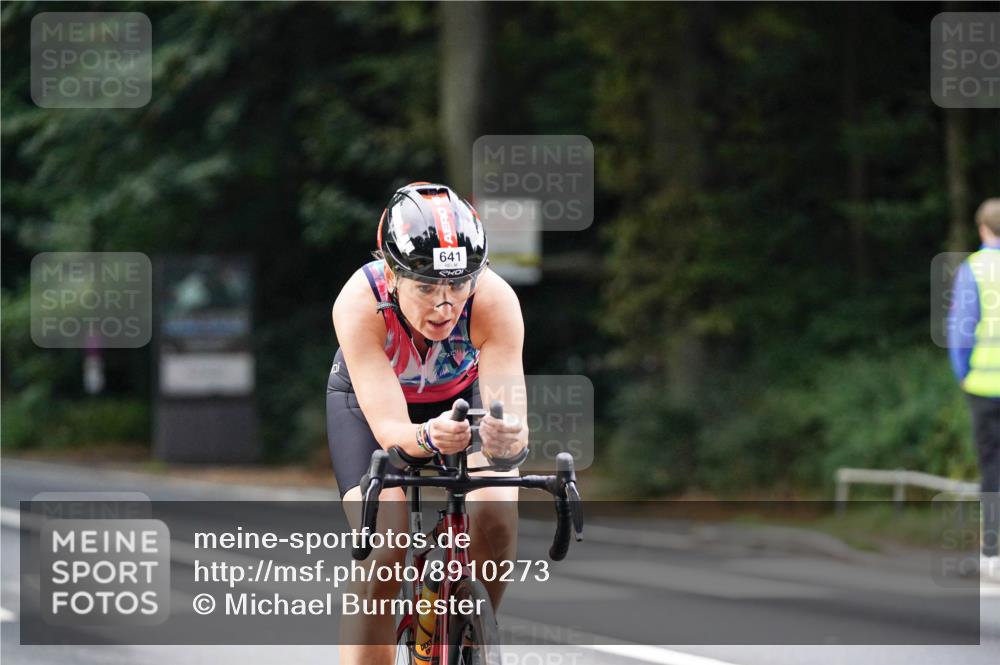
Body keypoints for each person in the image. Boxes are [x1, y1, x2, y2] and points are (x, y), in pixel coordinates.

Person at [326, 182, 528, 664]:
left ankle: (470, 637)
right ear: (391, 276)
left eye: (458, 285)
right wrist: (426, 436)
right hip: (372, 408)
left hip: (461, 398)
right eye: (425, 286)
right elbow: (391, 432)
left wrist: (506, 439)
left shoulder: (494, 300)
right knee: (386, 544)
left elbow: (511, 419)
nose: (444, 304)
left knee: (497, 514)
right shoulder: (358, 303)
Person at [947, 197, 1000, 581]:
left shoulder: (975, 269)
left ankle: (994, 555)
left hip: (984, 388)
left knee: (993, 470)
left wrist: (963, 373)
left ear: (982, 228)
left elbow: (961, 331)